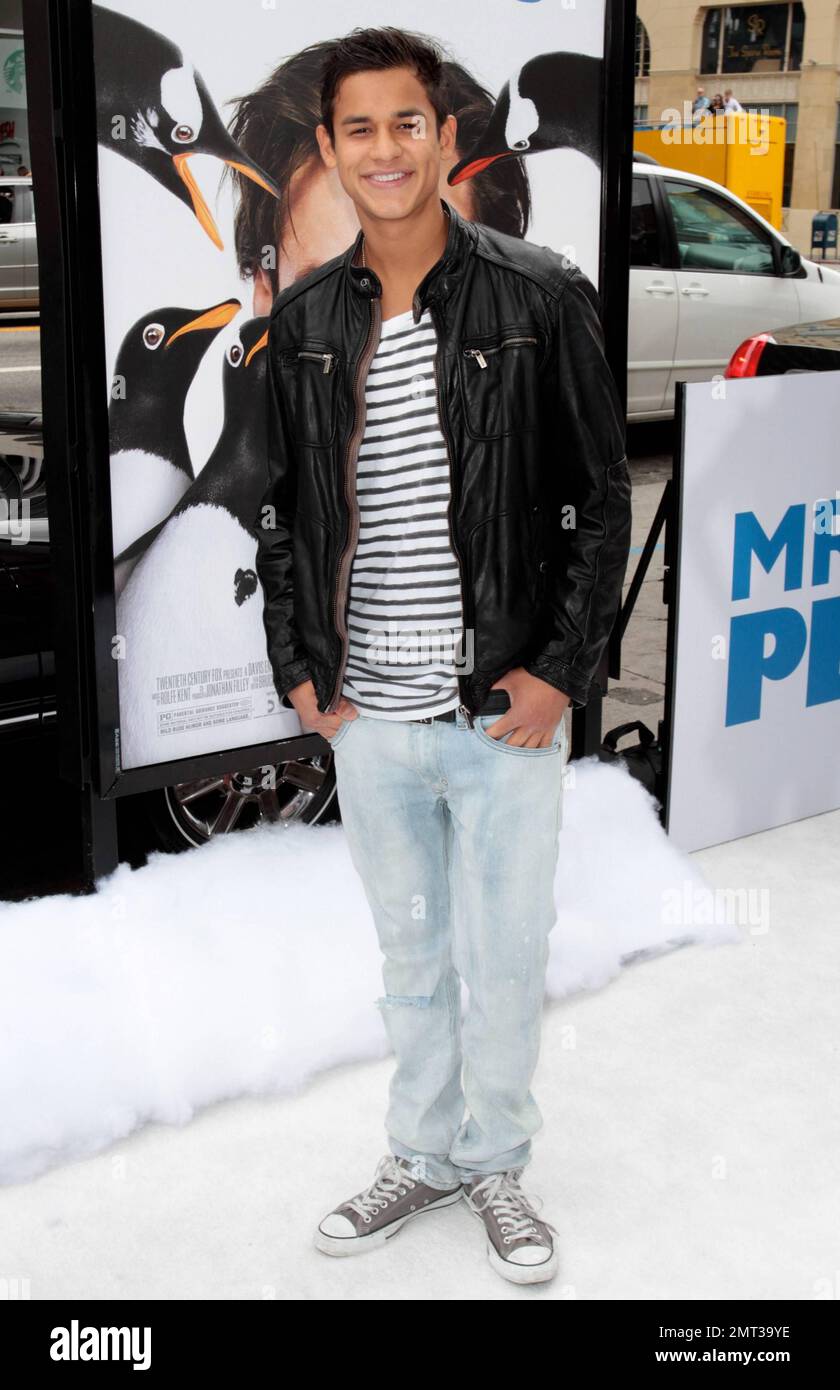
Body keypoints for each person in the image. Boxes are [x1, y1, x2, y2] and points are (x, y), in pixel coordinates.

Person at [254, 25, 632, 1286]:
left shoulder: (540, 294)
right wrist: (300, 665)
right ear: (330, 147)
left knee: (505, 956)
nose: (384, 149)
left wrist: (563, 672)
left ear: (447, 139)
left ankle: (499, 1164)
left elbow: (600, 493)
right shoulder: (306, 317)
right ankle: (420, 1151)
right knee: (412, 957)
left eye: (405, 124)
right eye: (357, 128)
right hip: (371, 714)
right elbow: (285, 505)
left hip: (500, 712)